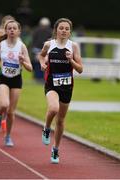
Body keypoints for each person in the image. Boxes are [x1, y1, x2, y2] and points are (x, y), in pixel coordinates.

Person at [38, 18, 83, 163]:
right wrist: (42, 64)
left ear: (70, 32)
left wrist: (71, 60)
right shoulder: (49, 44)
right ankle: (46, 128)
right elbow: (41, 55)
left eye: (67, 29)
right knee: (53, 108)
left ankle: (55, 150)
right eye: (61, 28)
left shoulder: (73, 46)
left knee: (61, 120)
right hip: (51, 84)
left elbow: (80, 69)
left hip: (67, 87)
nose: (64, 31)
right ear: (56, 29)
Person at [0, 20, 33, 146]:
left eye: (14, 28)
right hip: (4, 78)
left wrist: (23, 61)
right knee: (4, 104)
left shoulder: (22, 46)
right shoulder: (0, 45)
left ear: (19, 31)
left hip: (16, 79)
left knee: (11, 112)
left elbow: (30, 68)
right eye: (9, 28)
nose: (12, 30)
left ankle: (7, 136)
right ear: (6, 31)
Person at [31, 17, 52, 81]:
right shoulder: (36, 31)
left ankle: (43, 77)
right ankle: (37, 77)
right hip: (37, 49)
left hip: (45, 50)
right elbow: (34, 40)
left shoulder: (49, 31)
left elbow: (50, 41)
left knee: (44, 63)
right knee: (38, 63)